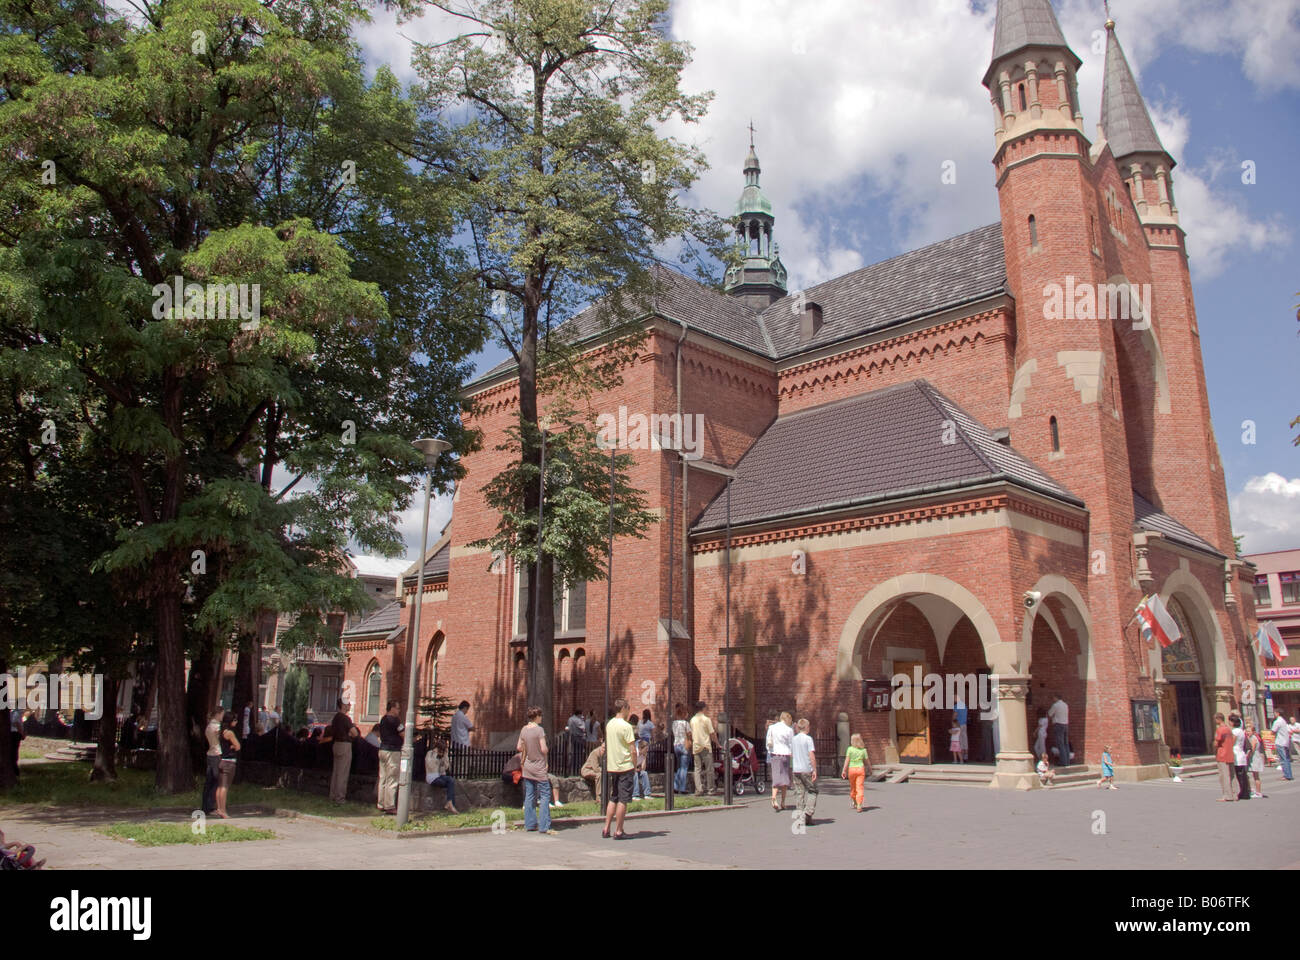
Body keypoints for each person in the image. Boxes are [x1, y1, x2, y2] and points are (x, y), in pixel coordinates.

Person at [517, 706, 555, 835]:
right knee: (545, 794)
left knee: (530, 794)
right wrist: (544, 752)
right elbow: (544, 749)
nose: (541, 718)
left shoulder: (524, 729)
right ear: (537, 716)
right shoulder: (539, 730)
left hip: (528, 765)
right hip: (539, 766)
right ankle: (544, 825)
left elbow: (519, 747)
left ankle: (530, 823)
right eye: (540, 716)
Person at [603, 698, 636, 839]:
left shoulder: (609, 724)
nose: (629, 712)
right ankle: (619, 830)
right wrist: (635, 765)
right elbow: (633, 749)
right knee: (623, 799)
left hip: (612, 765)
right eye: (628, 708)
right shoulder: (627, 726)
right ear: (624, 709)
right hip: (625, 765)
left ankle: (606, 828)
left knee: (613, 797)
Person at [324, 699, 359, 804]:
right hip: (345, 745)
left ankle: (333, 795)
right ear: (343, 705)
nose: (349, 706)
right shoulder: (345, 718)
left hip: (336, 744)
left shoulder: (336, 718)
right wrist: (350, 733)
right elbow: (355, 733)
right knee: (343, 772)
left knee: (336, 771)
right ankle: (340, 797)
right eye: (348, 704)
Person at [376, 700, 403, 814]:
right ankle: (390, 805)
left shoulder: (383, 719)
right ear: (392, 708)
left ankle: (381, 803)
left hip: (383, 749)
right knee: (392, 778)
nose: (399, 710)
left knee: (383, 777)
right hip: (393, 751)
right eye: (397, 708)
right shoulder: (395, 720)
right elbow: (403, 733)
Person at [790, 718, 818, 825]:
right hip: (806, 769)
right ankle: (808, 812)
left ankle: (800, 815)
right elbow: (811, 755)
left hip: (796, 769)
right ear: (806, 727)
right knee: (813, 791)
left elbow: (791, 755)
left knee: (799, 792)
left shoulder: (793, 739)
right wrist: (814, 769)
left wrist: (793, 765)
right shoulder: (808, 739)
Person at [766, 711, 794, 811]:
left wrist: (770, 752)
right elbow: (791, 743)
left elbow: (768, 741)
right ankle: (783, 802)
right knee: (785, 779)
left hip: (775, 754)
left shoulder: (772, 728)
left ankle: (774, 797)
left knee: (776, 777)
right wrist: (792, 753)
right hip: (785, 754)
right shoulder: (789, 730)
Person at [690, 701, 719, 796]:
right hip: (706, 746)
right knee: (709, 768)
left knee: (697, 769)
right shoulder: (706, 720)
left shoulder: (692, 720)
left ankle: (699, 789)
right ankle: (710, 789)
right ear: (703, 708)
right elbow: (712, 733)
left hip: (696, 746)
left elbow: (691, 733)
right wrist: (717, 744)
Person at [215, 711, 241, 819]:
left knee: (220, 786)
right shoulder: (230, 733)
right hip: (229, 762)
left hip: (222, 761)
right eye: (235, 720)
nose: (236, 722)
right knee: (225, 787)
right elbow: (238, 746)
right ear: (230, 721)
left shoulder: (221, 732)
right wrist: (233, 747)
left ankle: (218, 807)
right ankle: (223, 810)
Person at [424, 740, 460, 813]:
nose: (441, 752)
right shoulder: (430, 754)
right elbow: (431, 766)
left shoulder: (442, 756)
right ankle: (450, 804)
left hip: (440, 776)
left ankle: (449, 803)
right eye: (441, 750)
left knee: (451, 780)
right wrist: (436, 755)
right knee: (449, 784)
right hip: (432, 778)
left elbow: (446, 767)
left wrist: (445, 756)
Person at [840, 732, 870, 811]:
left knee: (853, 787)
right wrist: (870, 769)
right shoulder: (863, 750)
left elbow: (847, 760)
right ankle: (859, 804)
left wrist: (844, 770)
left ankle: (854, 801)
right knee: (860, 787)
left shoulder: (850, 749)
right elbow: (867, 761)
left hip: (852, 769)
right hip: (860, 769)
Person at [202, 708, 223, 815]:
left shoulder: (209, 726)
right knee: (216, 781)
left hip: (210, 753)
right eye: (222, 714)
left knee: (209, 781)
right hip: (217, 753)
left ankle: (205, 805)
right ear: (218, 714)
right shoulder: (217, 727)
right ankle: (210, 806)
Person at [1213, 713, 1235, 802]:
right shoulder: (1229, 729)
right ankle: (1235, 794)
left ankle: (1227, 796)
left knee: (1224, 776)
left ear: (1218, 719)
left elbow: (1216, 742)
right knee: (1232, 776)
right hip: (1230, 753)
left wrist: (1214, 748)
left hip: (1222, 754)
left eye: (1215, 719)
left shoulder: (1220, 730)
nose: (1215, 721)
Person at [671, 704, 691, 794]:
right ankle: (682, 788)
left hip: (676, 745)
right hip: (684, 745)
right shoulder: (685, 723)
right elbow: (689, 734)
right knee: (684, 768)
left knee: (679, 767)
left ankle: (675, 786)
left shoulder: (674, 723)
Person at [582, 740, 606, 807]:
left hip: (600, 770)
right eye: (603, 747)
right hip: (588, 770)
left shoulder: (607, 754)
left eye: (605, 748)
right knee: (599, 775)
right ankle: (599, 797)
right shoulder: (595, 753)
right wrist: (605, 771)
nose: (604, 749)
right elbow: (596, 768)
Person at [1231, 714, 1250, 800]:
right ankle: (1245, 791)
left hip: (1236, 754)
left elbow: (1232, 741)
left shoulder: (1235, 731)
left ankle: (1243, 792)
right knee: (1243, 775)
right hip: (1241, 753)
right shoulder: (1241, 731)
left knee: (1239, 775)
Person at [1047, 695, 1070, 768]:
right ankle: (1067, 760)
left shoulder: (1055, 705)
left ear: (1056, 698)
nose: (1053, 699)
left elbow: (1050, 714)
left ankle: (1063, 762)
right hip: (1065, 724)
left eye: (1053, 698)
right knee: (1066, 743)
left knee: (1060, 744)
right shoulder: (1065, 705)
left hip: (1058, 724)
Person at [1245, 722, 1265, 798]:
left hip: (1255, 757)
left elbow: (1252, 749)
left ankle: (1258, 792)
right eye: (1246, 731)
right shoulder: (1251, 737)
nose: (1247, 733)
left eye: (1249, 731)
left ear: (1253, 732)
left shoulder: (1253, 738)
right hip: (1254, 757)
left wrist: (1247, 756)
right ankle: (1254, 790)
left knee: (1256, 776)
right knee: (1254, 775)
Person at [1272, 711, 1293, 781]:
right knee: (1286, 759)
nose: (1274, 714)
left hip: (1280, 742)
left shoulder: (1277, 721)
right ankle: (1289, 774)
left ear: (1278, 713)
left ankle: (1287, 775)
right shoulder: (1284, 721)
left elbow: (1273, 731)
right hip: (1285, 742)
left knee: (1283, 759)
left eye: (1275, 713)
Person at [566, 707, 586, 773]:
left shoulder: (570, 719)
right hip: (579, 737)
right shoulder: (578, 720)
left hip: (572, 737)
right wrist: (583, 720)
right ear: (579, 714)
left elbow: (568, 727)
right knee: (579, 753)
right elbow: (583, 728)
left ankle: (572, 768)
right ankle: (578, 768)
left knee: (573, 753)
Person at [631, 736, 651, 801]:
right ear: (640, 749)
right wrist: (635, 769)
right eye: (646, 749)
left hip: (635, 769)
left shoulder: (643, 755)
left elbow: (643, 769)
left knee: (644, 773)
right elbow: (630, 765)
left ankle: (647, 794)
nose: (647, 750)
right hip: (630, 770)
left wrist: (645, 757)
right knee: (635, 774)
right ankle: (635, 795)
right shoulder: (635, 753)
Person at [953, 695, 969, 763]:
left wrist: (952, 721)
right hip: (964, 724)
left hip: (958, 725)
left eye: (954, 698)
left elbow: (955, 715)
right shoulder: (964, 706)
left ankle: (961, 757)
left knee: (959, 741)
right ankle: (966, 756)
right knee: (965, 740)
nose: (954, 699)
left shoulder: (956, 706)